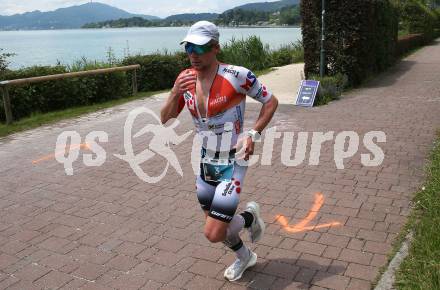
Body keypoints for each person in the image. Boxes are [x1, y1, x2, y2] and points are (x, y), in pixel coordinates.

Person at [160, 21, 278, 281]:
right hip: (205, 161)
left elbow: (271, 102)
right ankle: (245, 257)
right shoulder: (185, 79)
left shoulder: (237, 75)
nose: (193, 53)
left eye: (200, 48)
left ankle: (249, 216)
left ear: (215, 48)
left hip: (233, 161)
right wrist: (174, 92)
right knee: (217, 226)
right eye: (189, 47)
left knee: (214, 232)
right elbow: (165, 118)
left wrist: (253, 133)